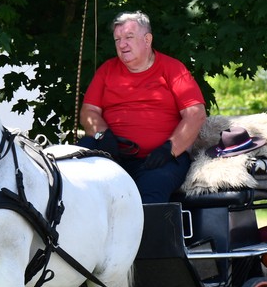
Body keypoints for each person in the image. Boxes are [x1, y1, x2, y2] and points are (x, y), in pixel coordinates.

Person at [78, 11, 207, 203]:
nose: (122, 44)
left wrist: (170, 148)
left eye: (129, 37)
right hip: (111, 154)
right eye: (117, 39)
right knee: (75, 178)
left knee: (150, 194)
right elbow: (89, 111)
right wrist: (102, 134)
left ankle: (147, 234)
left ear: (147, 39)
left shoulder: (172, 69)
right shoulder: (107, 70)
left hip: (160, 159)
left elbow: (196, 115)